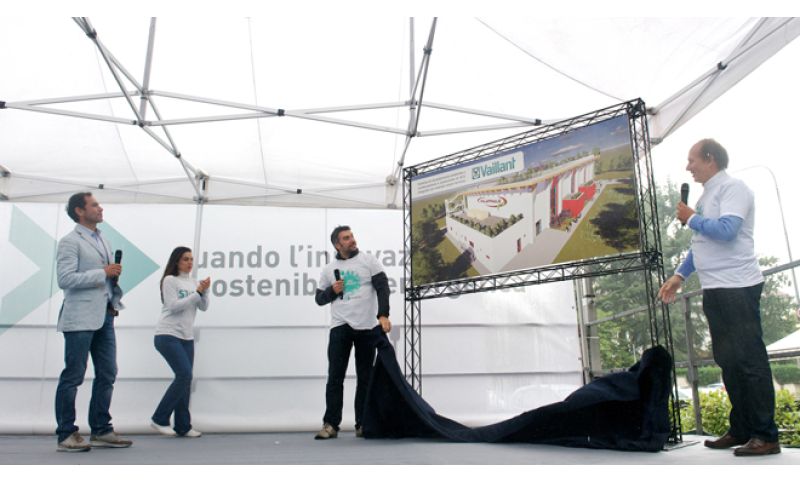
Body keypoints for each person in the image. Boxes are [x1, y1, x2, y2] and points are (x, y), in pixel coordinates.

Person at [658, 139, 780, 456]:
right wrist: (679, 275)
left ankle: (766, 435)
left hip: (738, 286)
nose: (688, 166)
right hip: (715, 288)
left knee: (750, 361)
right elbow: (701, 243)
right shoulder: (706, 196)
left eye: (692, 160)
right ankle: (742, 429)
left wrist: (691, 217)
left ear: (710, 159)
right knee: (728, 362)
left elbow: (727, 230)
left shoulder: (733, 188)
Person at [54, 192, 132, 452]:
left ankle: (101, 429)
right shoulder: (70, 242)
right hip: (79, 318)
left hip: (105, 315)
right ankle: (66, 433)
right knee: (73, 375)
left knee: (108, 373)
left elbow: (102, 278)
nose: (100, 208)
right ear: (79, 211)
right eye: (94, 205)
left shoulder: (103, 239)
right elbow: (65, 279)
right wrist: (102, 272)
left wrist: (111, 280)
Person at [314, 226, 392, 439]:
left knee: (365, 377)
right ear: (337, 245)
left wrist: (383, 314)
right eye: (346, 238)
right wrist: (332, 291)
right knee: (335, 377)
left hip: (366, 327)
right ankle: (331, 424)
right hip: (340, 327)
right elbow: (319, 299)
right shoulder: (329, 269)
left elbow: (383, 287)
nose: (352, 240)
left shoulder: (369, 261)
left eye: (352, 236)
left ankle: (363, 423)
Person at [150, 247, 210, 438]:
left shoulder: (193, 282)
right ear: (176, 261)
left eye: (191, 259)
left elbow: (203, 306)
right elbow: (173, 306)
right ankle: (159, 418)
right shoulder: (170, 280)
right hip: (167, 334)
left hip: (186, 337)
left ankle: (183, 425)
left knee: (185, 379)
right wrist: (197, 293)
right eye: (185, 259)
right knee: (184, 375)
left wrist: (205, 291)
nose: (189, 262)